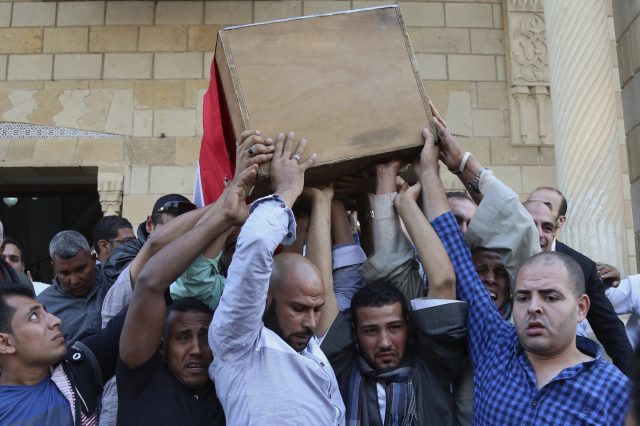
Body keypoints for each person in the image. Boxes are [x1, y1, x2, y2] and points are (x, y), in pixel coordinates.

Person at [417, 126, 631, 423]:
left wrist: (464, 163)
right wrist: (431, 170)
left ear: (581, 307)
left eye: (550, 296)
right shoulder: (494, 343)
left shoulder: (615, 393)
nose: (534, 307)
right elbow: (453, 245)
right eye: (522, 297)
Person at [320, 146, 467, 425]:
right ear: (353, 333)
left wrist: (406, 204)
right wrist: (322, 201)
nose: (385, 342)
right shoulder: (338, 368)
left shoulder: (432, 365)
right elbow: (325, 293)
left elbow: (444, 281)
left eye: (395, 327)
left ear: (410, 327)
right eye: (371, 331)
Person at [209, 131, 346, 424]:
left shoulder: (311, 351)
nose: (311, 322)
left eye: (316, 309)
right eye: (298, 308)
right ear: (265, 298)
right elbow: (257, 245)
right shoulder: (239, 344)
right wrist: (286, 191)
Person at [523, 194, 634, 376]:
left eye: (546, 206)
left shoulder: (584, 267)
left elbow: (610, 330)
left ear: (558, 221)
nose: (538, 232)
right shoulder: (495, 260)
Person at [0, 284, 126, 425]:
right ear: (5, 343)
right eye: (34, 316)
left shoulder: (79, 369)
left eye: (46, 311)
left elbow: (136, 313)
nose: (56, 321)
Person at [37, 230, 108, 343]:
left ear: (93, 259)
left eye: (80, 269)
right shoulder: (42, 307)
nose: (74, 281)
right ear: (54, 267)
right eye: (65, 273)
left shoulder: (114, 281)